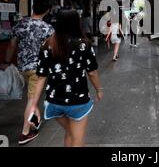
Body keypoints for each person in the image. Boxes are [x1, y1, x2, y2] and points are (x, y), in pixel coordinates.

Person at [29, 9, 103, 147]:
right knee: (78, 140)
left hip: (54, 102)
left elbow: (41, 77)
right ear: (77, 23)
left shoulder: (48, 44)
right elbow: (92, 72)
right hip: (77, 102)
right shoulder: (84, 45)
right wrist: (99, 89)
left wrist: (34, 105)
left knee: (70, 133)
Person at [0, 0, 54, 145]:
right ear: (48, 11)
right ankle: (25, 133)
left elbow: (11, 46)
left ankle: (35, 120)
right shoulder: (48, 29)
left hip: (22, 68)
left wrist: (6, 62)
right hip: (38, 69)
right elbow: (51, 50)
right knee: (32, 100)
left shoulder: (20, 24)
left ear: (33, 8)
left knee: (32, 97)